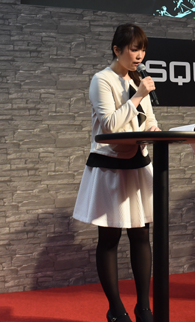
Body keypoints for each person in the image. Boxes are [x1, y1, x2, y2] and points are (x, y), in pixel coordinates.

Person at [73, 24, 159, 322]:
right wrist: (137, 96)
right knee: (110, 237)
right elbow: (110, 125)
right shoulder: (102, 80)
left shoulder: (138, 80)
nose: (140, 55)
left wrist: (153, 129)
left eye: (143, 49)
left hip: (138, 164)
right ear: (117, 50)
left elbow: (149, 120)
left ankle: (144, 307)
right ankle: (116, 309)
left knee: (141, 234)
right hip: (110, 166)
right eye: (134, 49)